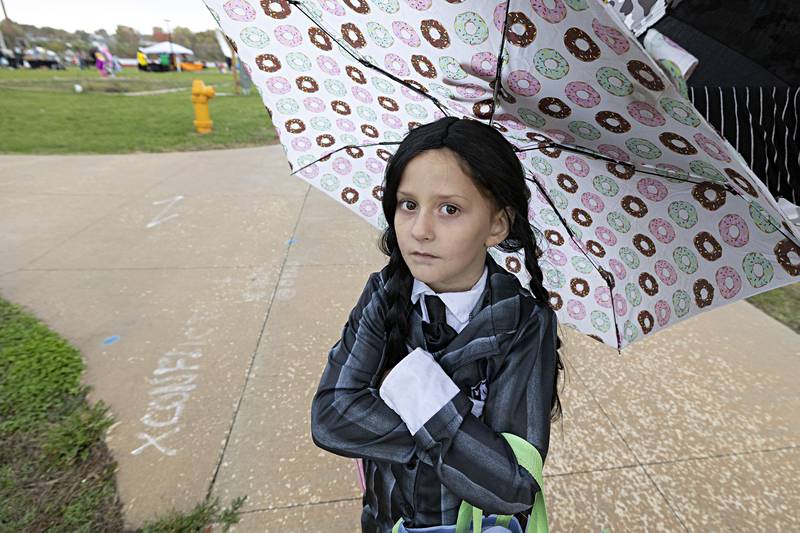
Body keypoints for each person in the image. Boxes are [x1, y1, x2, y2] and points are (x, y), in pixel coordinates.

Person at [310, 116, 565, 532]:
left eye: (450, 209)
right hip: (385, 521)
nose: (420, 230)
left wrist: (418, 390)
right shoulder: (384, 294)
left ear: (497, 225)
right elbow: (332, 416)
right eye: (408, 205)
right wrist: (465, 441)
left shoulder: (524, 324)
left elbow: (510, 487)